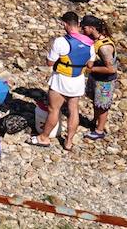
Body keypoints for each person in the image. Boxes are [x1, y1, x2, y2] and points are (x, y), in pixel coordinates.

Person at [29, 11, 92, 150]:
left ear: (65, 24)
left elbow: (50, 63)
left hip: (61, 80)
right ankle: (68, 142)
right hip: (78, 80)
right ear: (79, 24)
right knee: (73, 110)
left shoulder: (61, 41)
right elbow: (90, 64)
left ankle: (44, 137)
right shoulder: (90, 43)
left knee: (53, 109)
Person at [81, 15, 117, 141]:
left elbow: (111, 69)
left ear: (92, 28)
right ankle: (94, 121)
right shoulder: (96, 41)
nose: (82, 30)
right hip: (97, 77)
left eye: (84, 28)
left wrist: (89, 69)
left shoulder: (104, 47)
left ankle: (99, 130)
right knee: (96, 102)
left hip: (105, 81)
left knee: (102, 105)